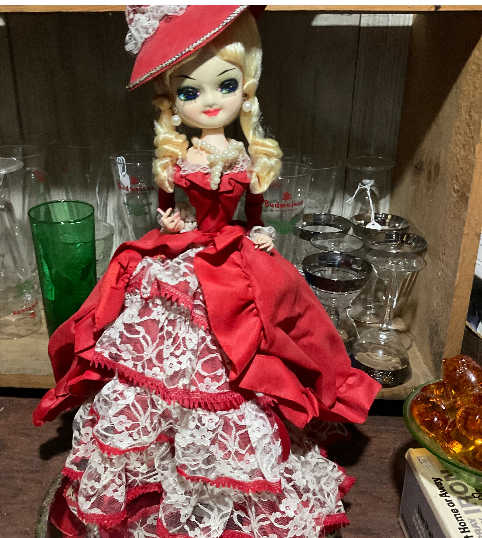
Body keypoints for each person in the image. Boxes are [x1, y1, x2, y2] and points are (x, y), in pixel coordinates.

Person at [33, 6, 381, 537]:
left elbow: (255, 213)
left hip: (233, 250)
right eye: (191, 91)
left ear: (247, 87)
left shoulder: (245, 156)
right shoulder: (180, 157)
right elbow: (168, 207)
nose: (211, 101)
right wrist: (170, 222)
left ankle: (232, 466)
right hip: (188, 250)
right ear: (172, 101)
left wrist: (261, 234)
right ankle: (162, 459)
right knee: (160, 346)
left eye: (227, 85)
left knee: (258, 329)